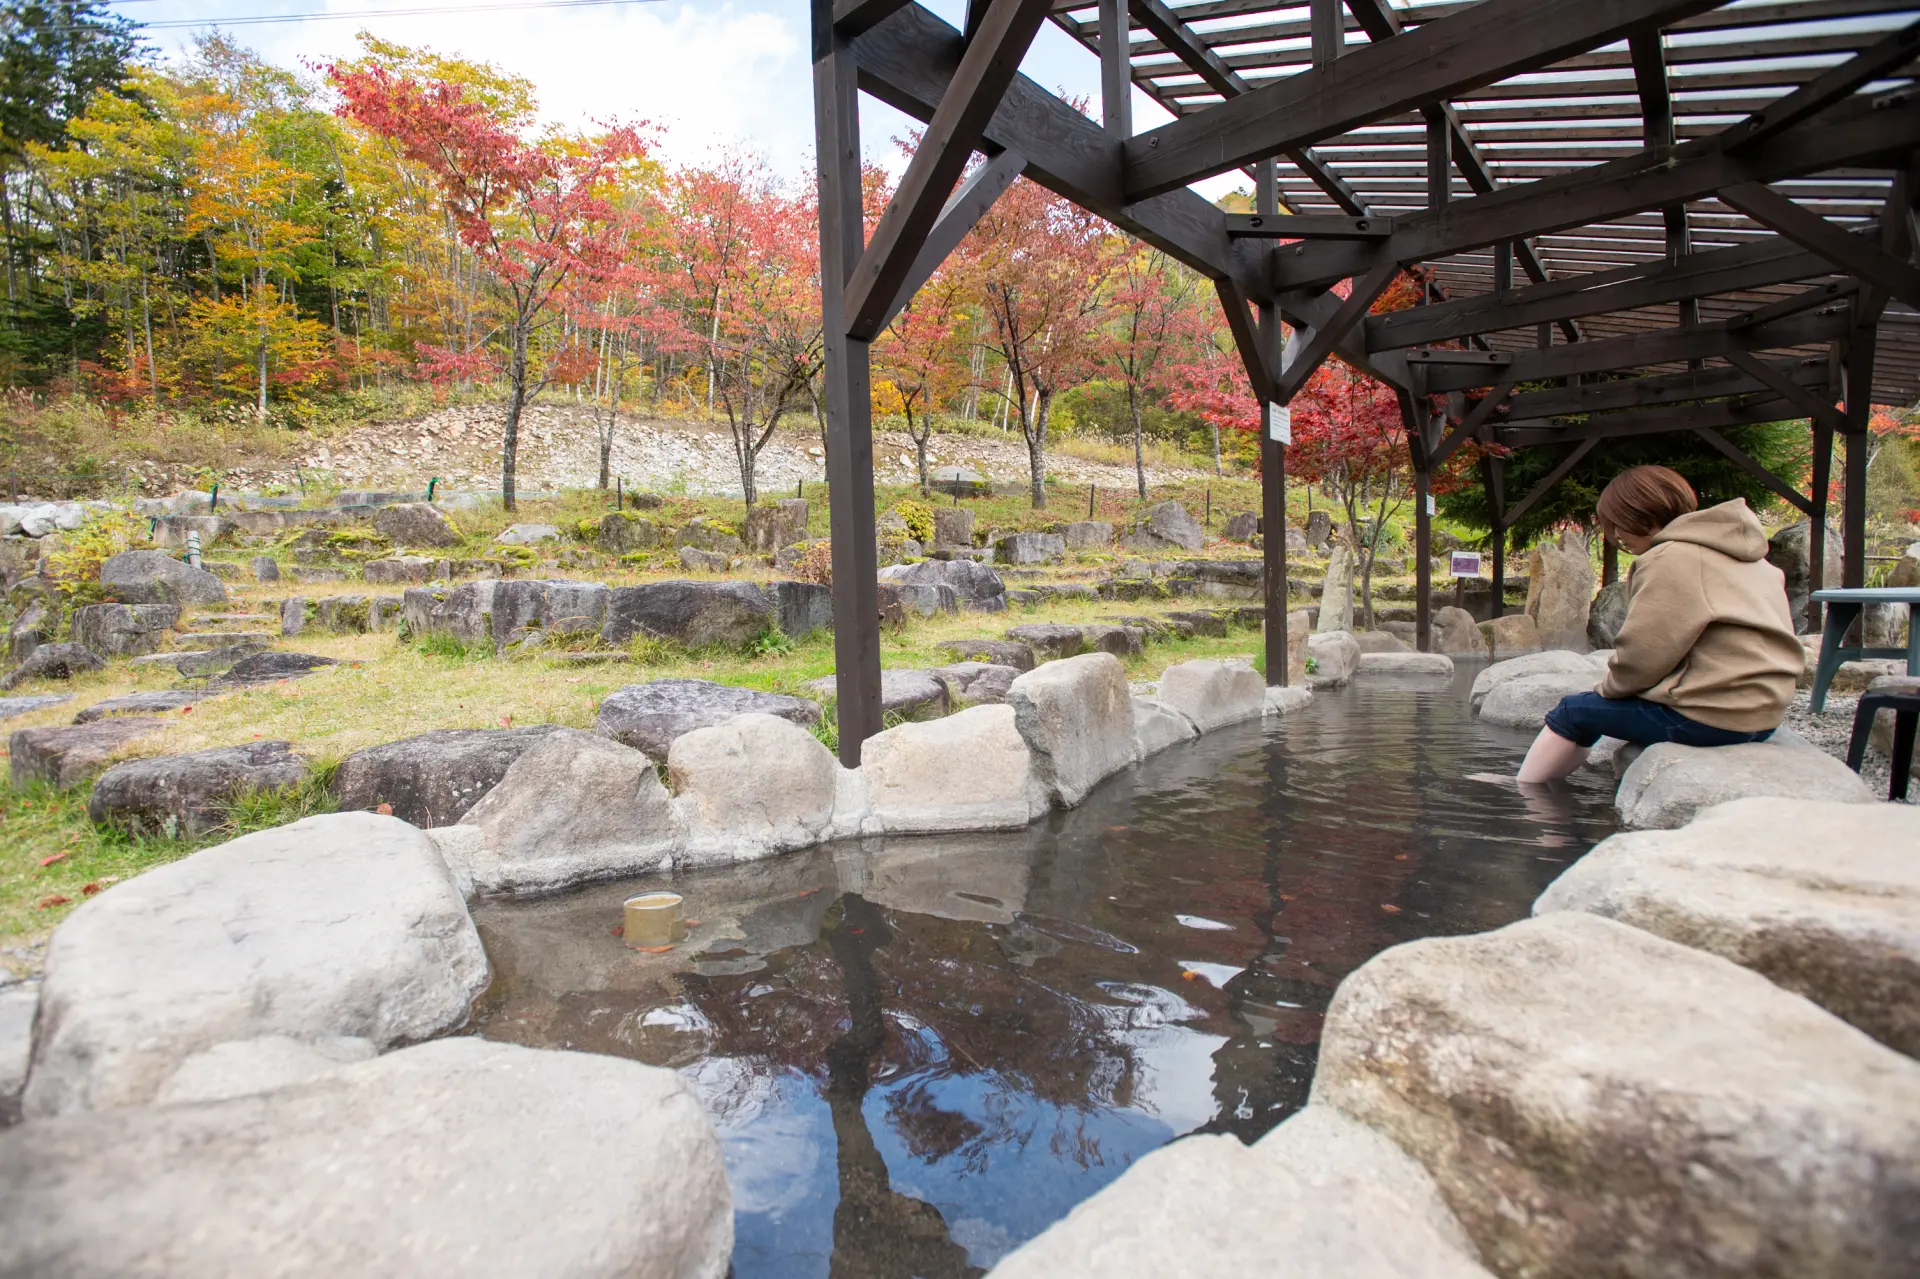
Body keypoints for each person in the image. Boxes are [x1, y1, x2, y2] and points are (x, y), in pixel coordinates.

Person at [1515, 465, 1804, 784]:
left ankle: (1527, 796)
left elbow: (1644, 654)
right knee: (1589, 712)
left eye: (1616, 525)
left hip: (1710, 718)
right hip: (1763, 715)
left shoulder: (1671, 559)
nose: (1618, 536)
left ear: (1638, 517)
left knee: (1573, 712)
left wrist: (1608, 690)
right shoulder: (1750, 558)